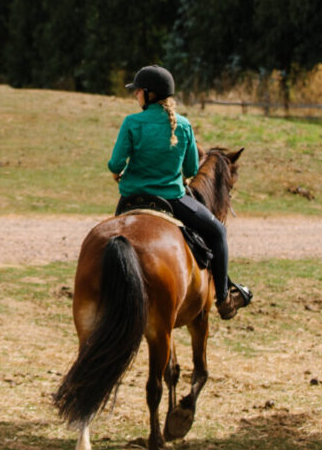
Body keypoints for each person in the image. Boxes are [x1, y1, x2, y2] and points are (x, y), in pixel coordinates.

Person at [108, 65, 251, 320]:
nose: (135, 95)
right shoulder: (183, 126)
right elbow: (191, 168)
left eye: (138, 91)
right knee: (218, 232)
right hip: (172, 200)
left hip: (130, 199)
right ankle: (223, 298)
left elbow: (115, 164)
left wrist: (118, 172)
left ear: (149, 94)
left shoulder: (131, 122)